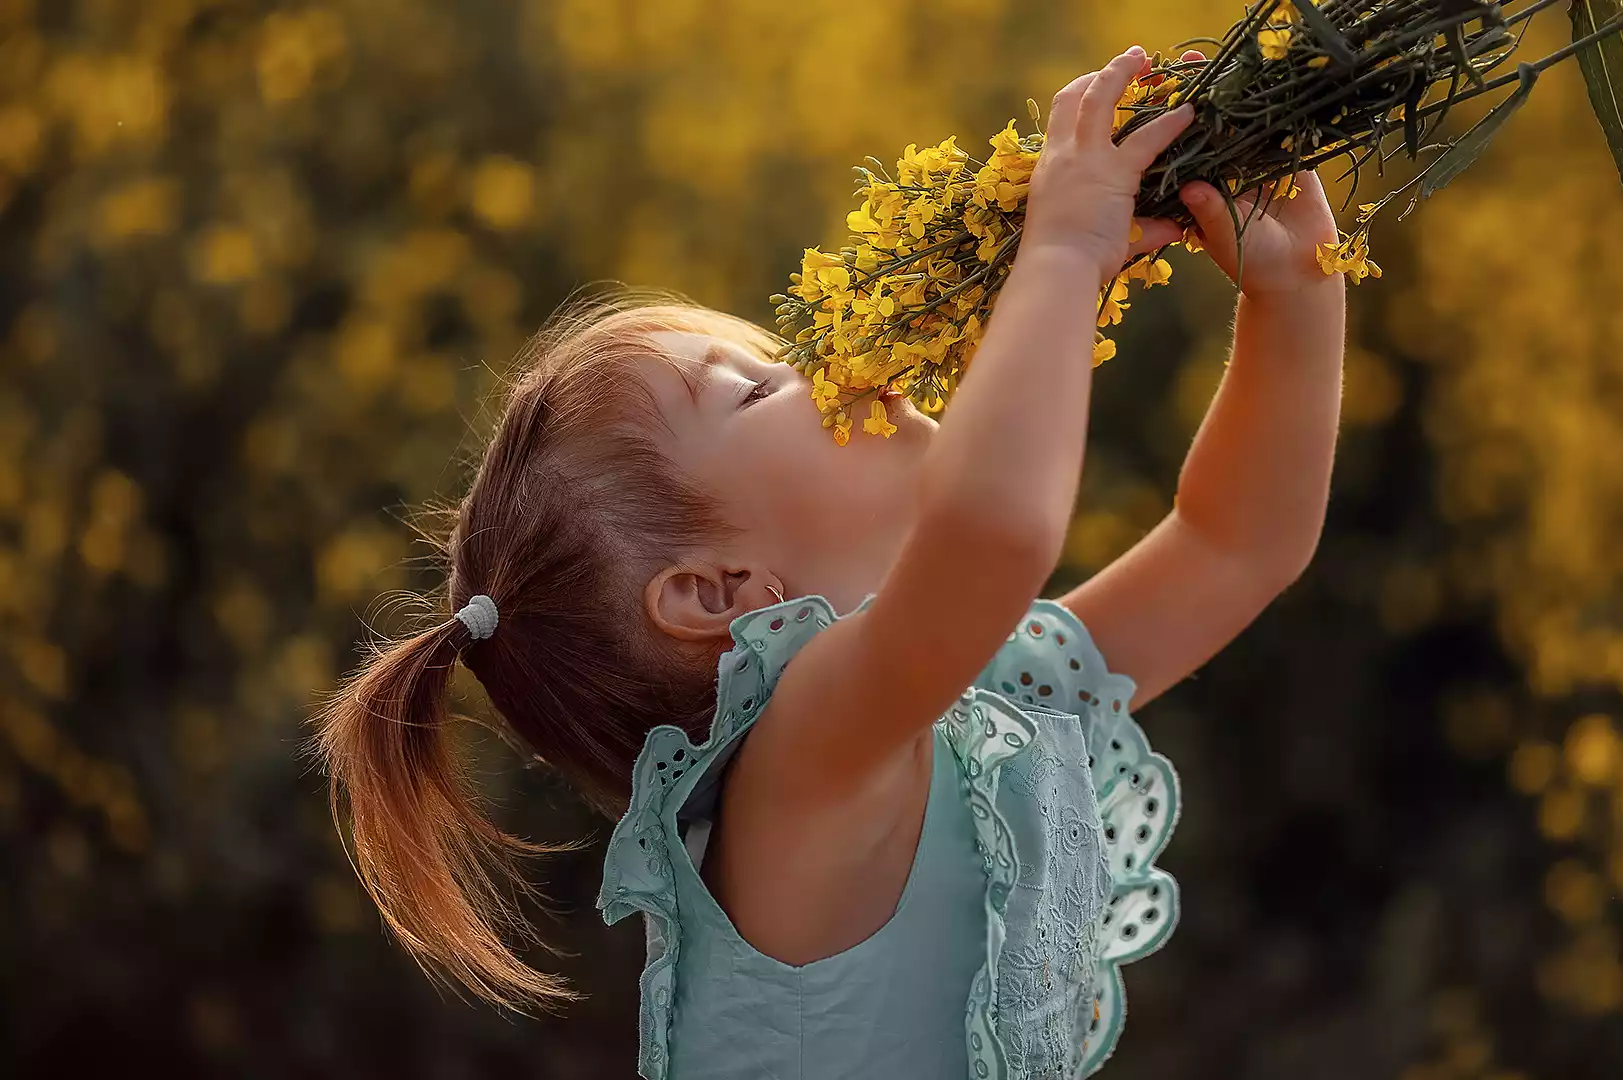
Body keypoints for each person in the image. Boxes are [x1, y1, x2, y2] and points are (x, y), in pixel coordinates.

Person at [309, 43, 1346, 1080]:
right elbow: (993, 533)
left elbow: (1233, 548)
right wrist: (1063, 247)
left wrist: (1295, 296)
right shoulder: (800, 760)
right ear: (716, 592)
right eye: (760, 388)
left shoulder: (958, 705)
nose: (831, 366)